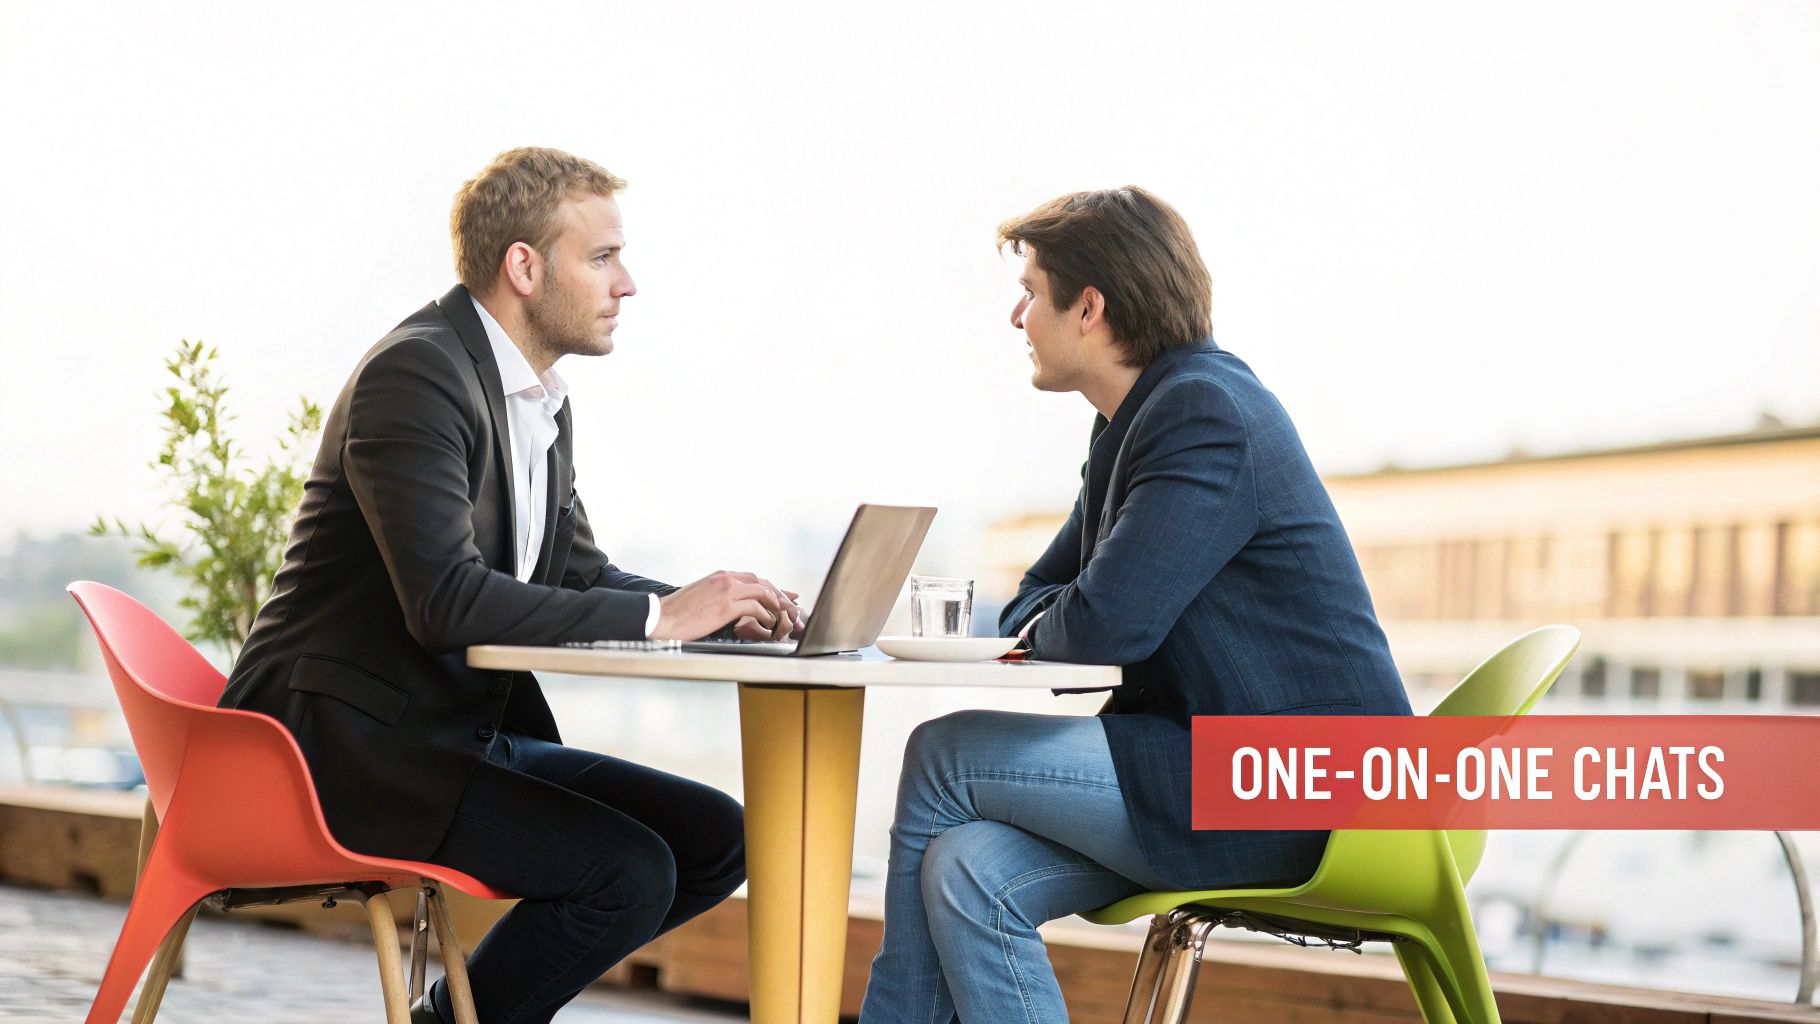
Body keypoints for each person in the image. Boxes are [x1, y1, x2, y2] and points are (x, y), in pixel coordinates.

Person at [219, 147, 803, 1024]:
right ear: (524, 267)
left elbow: (581, 574)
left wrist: (725, 612)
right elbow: (445, 601)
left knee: (716, 837)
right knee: (628, 871)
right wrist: (662, 616)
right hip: (344, 753)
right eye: (602, 257)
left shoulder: (538, 400)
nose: (627, 283)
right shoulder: (416, 375)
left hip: (454, 736)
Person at [858, 186, 1413, 1023]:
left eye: (1031, 292)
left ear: (1089, 308)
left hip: (1304, 788)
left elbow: (1101, 628)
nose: (1016, 317)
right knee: (967, 866)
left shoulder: (1202, 412)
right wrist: (1068, 612)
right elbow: (1039, 600)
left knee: (945, 754)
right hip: (1207, 770)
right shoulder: (1135, 422)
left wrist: (1070, 614)